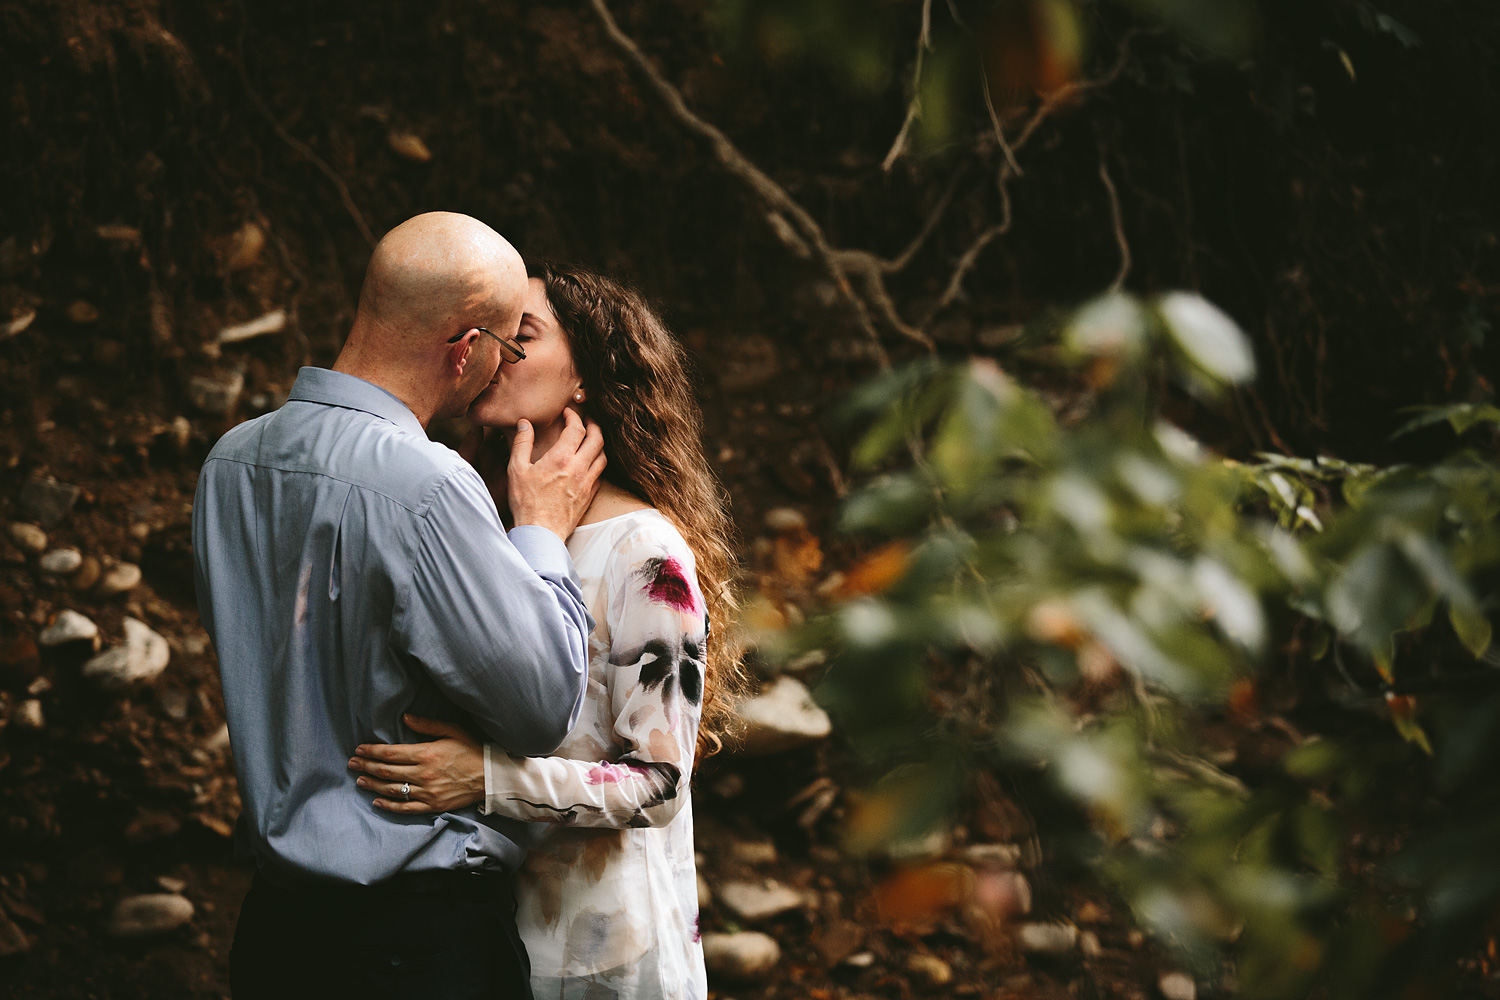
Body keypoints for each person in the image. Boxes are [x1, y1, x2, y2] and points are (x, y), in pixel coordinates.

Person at [191, 213, 606, 1000]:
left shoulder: (229, 463)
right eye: (505, 347)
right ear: (465, 349)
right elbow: (543, 702)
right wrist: (543, 535)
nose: (501, 368)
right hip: (413, 944)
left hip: (275, 937)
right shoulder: (426, 486)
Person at [345, 262, 742, 1000]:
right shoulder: (484, 523)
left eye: (522, 335)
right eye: (490, 334)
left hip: (603, 951)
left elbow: (661, 784)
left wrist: (484, 777)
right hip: (485, 937)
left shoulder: (645, 553)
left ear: (588, 376)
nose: (495, 354)